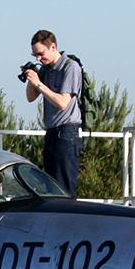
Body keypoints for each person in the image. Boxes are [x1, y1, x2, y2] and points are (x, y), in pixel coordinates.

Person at [22, 30, 83, 197]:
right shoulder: (46, 70)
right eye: (35, 55)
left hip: (67, 133)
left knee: (64, 189)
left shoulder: (70, 67)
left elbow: (63, 103)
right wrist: (32, 77)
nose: (38, 59)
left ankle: (68, 221)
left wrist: (39, 85)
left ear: (53, 47)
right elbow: (30, 97)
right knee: (52, 189)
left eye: (41, 54)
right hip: (51, 132)